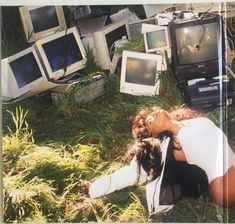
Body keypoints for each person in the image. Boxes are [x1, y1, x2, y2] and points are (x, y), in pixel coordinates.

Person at [132, 106, 235, 206]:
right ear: (153, 133)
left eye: (150, 114)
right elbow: (137, 169)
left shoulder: (187, 122)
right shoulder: (175, 147)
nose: (152, 115)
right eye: (149, 121)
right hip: (224, 185)